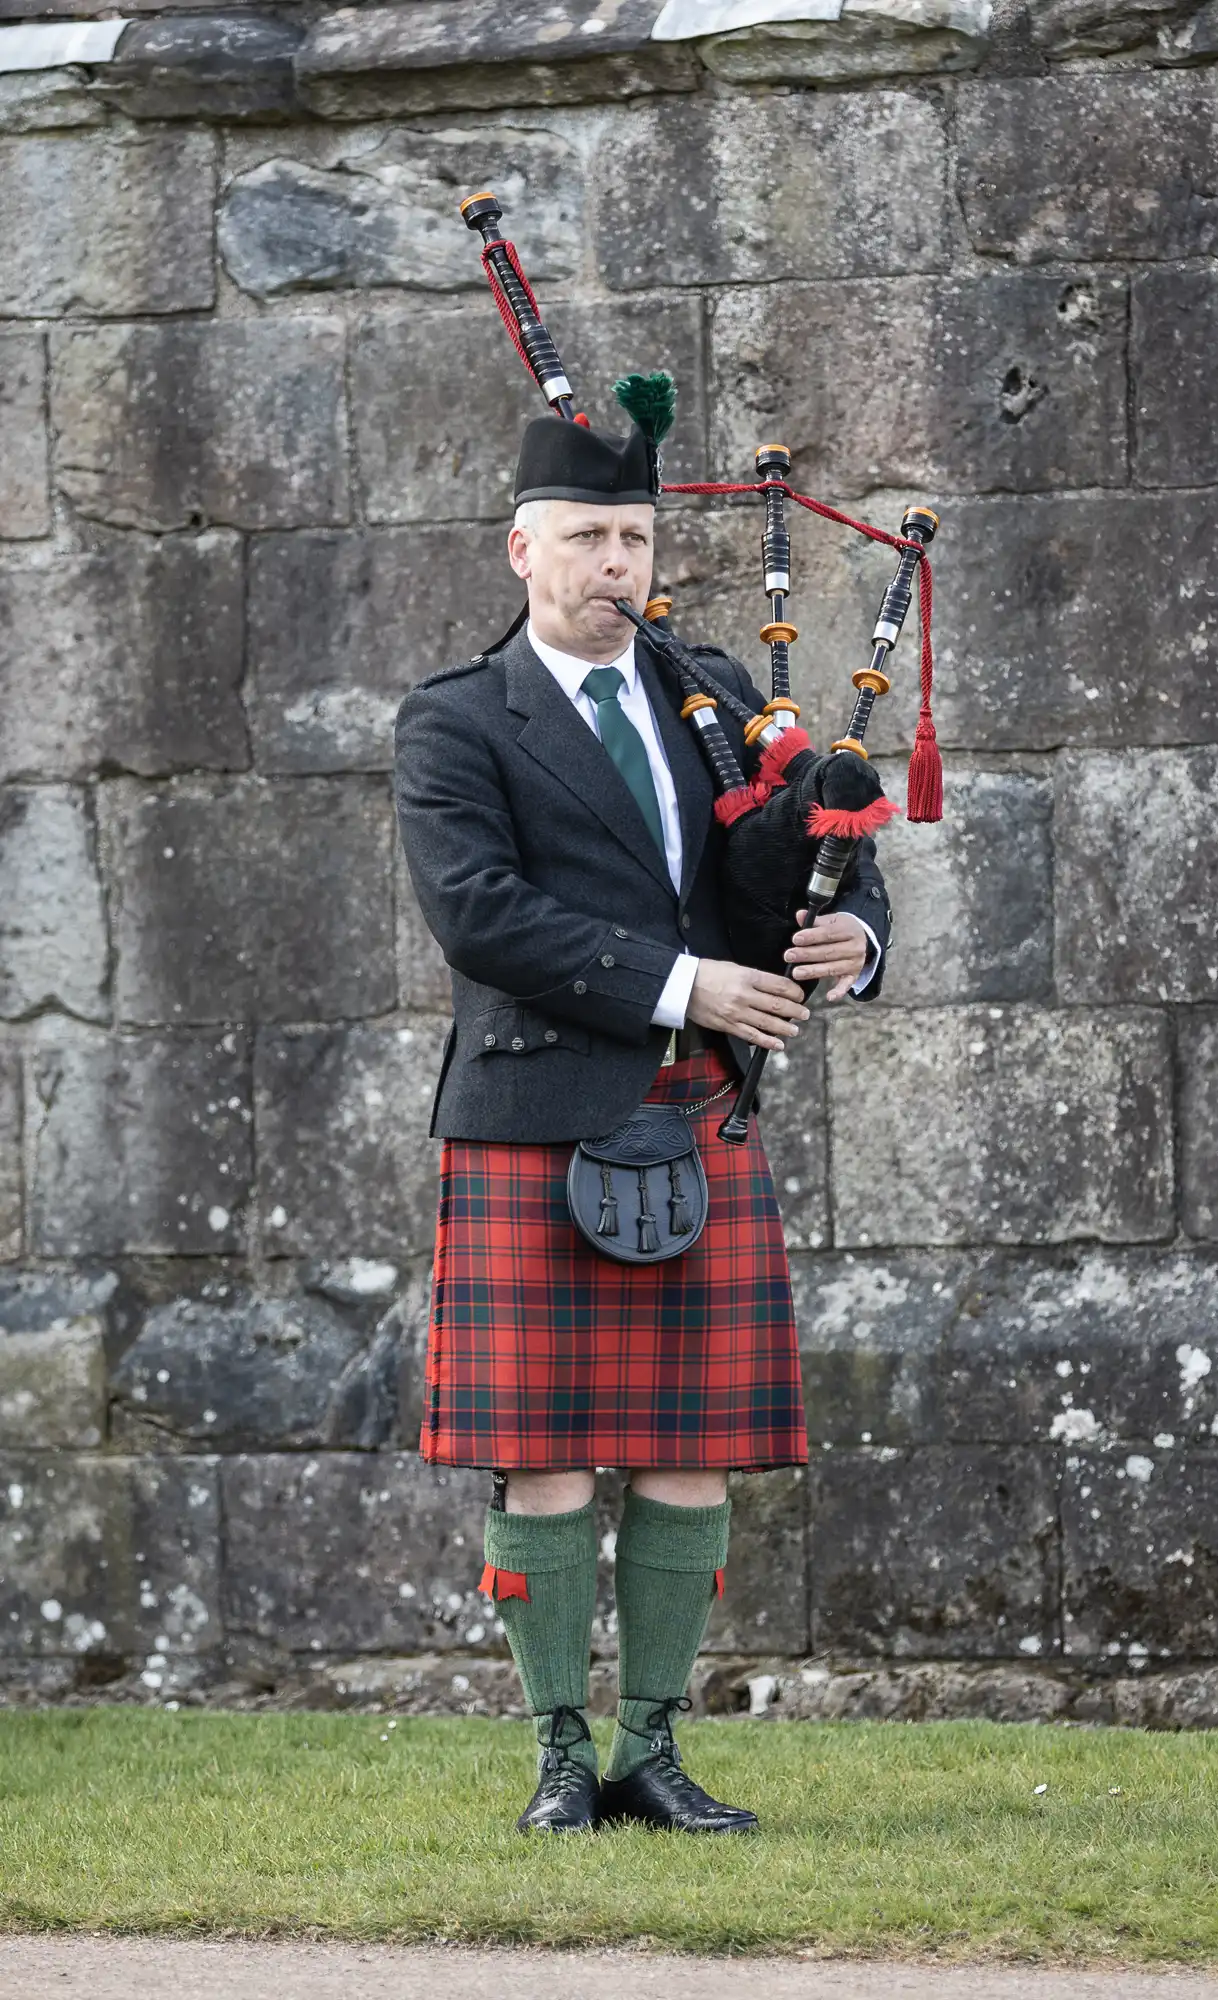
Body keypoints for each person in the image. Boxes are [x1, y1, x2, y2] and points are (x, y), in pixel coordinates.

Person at [394, 405, 890, 1835]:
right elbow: (477, 914)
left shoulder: (712, 690)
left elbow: (815, 838)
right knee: (540, 1449)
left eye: (635, 539)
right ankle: (563, 1756)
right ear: (523, 548)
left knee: (689, 1445)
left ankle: (655, 1749)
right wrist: (687, 986)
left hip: (696, 1118)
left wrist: (853, 935)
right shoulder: (459, 718)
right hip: (535, 1114)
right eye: (590, 539)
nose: (616, 564)